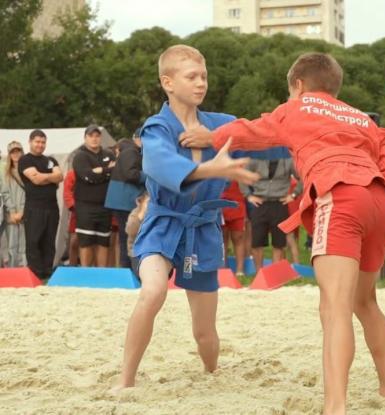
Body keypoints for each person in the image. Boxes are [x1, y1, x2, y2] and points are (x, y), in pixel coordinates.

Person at [189, 52, 385, 414]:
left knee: (335, 308)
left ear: (299, 86)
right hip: (380, 200)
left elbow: (251, 131)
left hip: (341, 193)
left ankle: (335, 406)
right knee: (365, 303)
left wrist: (209, 136)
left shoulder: (298, 107)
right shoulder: (363, 120)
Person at [112, 45, 258, 391]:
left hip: (203, 230)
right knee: (153, 291)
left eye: (204, 76)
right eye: (191, 77)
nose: (200, 83)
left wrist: (218, 139)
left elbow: (264, 134)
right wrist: (210, 168)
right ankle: (125, 379)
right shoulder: (156, 127)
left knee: (204, 333)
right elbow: (158, 164)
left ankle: (211, 373)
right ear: (168, 82)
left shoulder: (220, 125)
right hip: (163, 223)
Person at [239, 149, 302, 272]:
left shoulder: (288, 160)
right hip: (260, 203)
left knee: (279, 242)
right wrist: (248, 195)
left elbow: (303, 177)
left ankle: (274, 273)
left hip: (280, 203)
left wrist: (294, 195)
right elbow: (242, 176)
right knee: (257, 242)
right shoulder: (256, 159)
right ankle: (259, 273)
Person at [18, 129, 63, 279]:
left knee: (49, 240)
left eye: (43, 142)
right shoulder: (25, 160)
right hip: (34, 207)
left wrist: (43, 176)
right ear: (30, 142)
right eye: (37, 141)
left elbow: (60, 176)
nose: (40, 145)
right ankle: (35, 273)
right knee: (33, 240)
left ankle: (47, 272)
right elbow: (35, 179)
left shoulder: (50, 160)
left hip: (52, 207)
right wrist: (51, 176)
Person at [72, 125, 116, 267]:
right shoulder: (80, 156)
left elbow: (114, 173)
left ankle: (101, 275)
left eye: (97, 136)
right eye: (91, 136)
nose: (94, 138)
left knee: (103, 241)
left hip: (105, 205)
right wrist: (106, 171)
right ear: (85, 138)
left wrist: (100, 171)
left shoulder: (108, 154)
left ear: (100, 138)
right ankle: (86, 273)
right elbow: (87, 176)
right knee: (86, 241)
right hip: (85, 206)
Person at [104, 133, 145, 270]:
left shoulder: (130, 151)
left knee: (126, 236)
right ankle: (128, 269)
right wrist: (150, 175)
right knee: (128, 236)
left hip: (122, 200)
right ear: (137, 139)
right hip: (125, 201)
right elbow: (130, 174)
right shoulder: (131, 152)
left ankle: (127, 268)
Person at [2, 141, 27, 267]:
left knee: (24, 244)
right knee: (11, 244)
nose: (16, 154)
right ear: (9, 154)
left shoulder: (27, 170)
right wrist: (12, 212)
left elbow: (30, 192)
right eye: (13, 152)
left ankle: (24, 270)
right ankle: (12, 271)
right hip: (11, 214)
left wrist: (22, 211)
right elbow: (5, 193)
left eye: (18, 151)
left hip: (26, 212)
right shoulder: (5, 172)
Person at [220, 180, 247, 276]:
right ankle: (223, 268)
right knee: (222, 239)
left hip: (237, 205)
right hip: (220, 205)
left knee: (238, 237)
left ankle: (240, 270)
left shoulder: (239, 167)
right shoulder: (217, 167)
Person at [62, 169, 79, 266]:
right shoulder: (72, 173)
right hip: (77, 210)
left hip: (95, 209)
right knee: (74, 241)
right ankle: (73, 266)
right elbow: (67, 192)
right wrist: (73, 206)